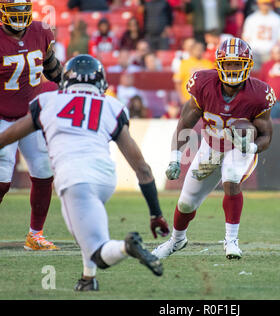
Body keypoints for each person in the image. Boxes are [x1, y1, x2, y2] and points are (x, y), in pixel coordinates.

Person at [0, 55, 169, 291]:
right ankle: (88, 279)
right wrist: (156, 213)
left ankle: (126, 247)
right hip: (105, 177)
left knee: (98, 250)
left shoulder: (49, 101)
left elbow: (12, 133)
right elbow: (142, 168)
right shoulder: (111, 105)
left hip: (74, 177)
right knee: (87, 227)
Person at [152, 38, 275, 260]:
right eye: (228, 64)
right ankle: (176, 241)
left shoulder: (258, 94)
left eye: (238, 64)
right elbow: (184, 125)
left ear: (247, 65)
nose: (233, 68)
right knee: (186, 202)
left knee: (231, 175)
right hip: (211, 145)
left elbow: (267, 135)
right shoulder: (204, 83)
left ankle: (231, 240)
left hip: (239, 147)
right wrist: (175, 159)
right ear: (219, 64)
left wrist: (252, 146)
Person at [0, 0, 63, 250]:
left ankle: (35, 235)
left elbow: (51, 68)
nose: (19, 16)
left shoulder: (41, 31)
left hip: (30, 117)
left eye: (23, 10)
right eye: (14, 11)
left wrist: (69, 84)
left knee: (44, 170)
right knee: (3, 179)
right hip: (2, 116)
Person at [242, 0, 280, 70]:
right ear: (258, 4)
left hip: (270, 53)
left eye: (267, 4)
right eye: (263, 4)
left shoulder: (277, 19)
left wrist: (277, 50)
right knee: (254, 76)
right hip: (254, 52)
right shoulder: (251, 19)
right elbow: (245, 39)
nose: (265, 6)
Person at [173, 41, 214, 105]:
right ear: (191, 50)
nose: (199, 51)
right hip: (188, 100)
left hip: (205, 100)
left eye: (201, 49)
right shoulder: (184, 63)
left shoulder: (209, 64)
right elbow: (178, 82)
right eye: (197, 49)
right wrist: (181, 97)